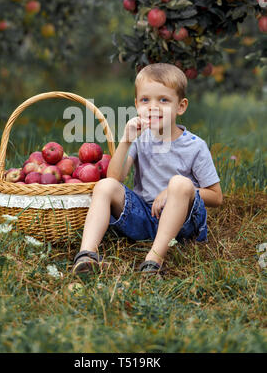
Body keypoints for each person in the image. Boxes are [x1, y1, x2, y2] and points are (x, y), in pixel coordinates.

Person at [72, 63, 223, 275]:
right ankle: (87, 254)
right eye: (145, 100)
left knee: (179, 183)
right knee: (105, 185)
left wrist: (172, 192)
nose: (153, 106)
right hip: (143, 216)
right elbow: (115, 178)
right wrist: (126, 140)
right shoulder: (140, 139)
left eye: (163, 100)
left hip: (182, 225)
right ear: (136, 105)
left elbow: (216, 197)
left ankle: (154, 260)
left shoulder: (195, 146)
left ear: (181, 106)